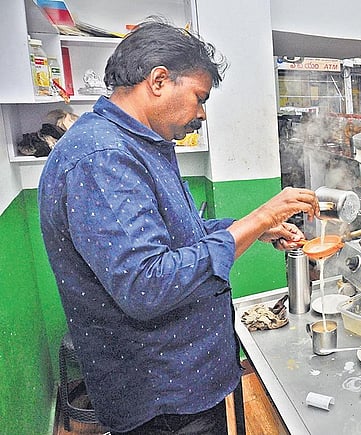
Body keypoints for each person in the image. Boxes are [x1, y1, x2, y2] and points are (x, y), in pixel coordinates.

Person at [38, 19, 319, 434]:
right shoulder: (103, 157)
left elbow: (179, 234)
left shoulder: (140, 145)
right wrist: (258, 218)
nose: (201, 113)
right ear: (158, 80)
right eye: (199, 97)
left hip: (184, 380)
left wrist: (250, 229)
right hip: (162, 394)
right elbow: (147, 285)